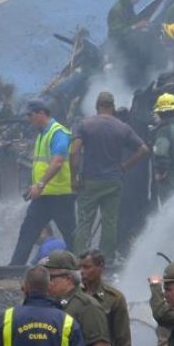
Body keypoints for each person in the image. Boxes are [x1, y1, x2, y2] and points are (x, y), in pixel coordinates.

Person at [70, 92, 149, 261]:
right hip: (113, 181)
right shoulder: (122, 127)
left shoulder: (84, 125)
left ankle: (80, 260)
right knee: (110, 223)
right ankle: (106, 262)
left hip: (90, 182)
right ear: (112, 107)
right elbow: (143, 150)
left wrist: (74, 177)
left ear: (97, 106)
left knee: (84, 222)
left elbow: (75, 151)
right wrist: (125, 167)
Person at [10, 99, 77, 265]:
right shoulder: (42, 134)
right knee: (28, 231)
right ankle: (14, 268)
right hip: (44, 196)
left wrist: (40, 184)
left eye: (30, 115)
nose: (29, 119)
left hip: (60, 196)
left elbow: (58, 161)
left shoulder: (58, 132)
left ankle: (78, 265)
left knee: (71, 235)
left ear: (41, 113)